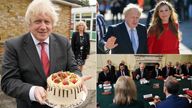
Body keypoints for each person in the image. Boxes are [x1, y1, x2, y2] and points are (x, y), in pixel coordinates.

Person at [1, 0, 91, 107]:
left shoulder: (63, 42)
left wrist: (76, 80)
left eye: (47, 22)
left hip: (62, 104)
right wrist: (32, 91)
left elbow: (73, 68)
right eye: (38, 21)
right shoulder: (13, 46)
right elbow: (8, 82)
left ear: (52, 25)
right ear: (29, 24)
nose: (43, 27)